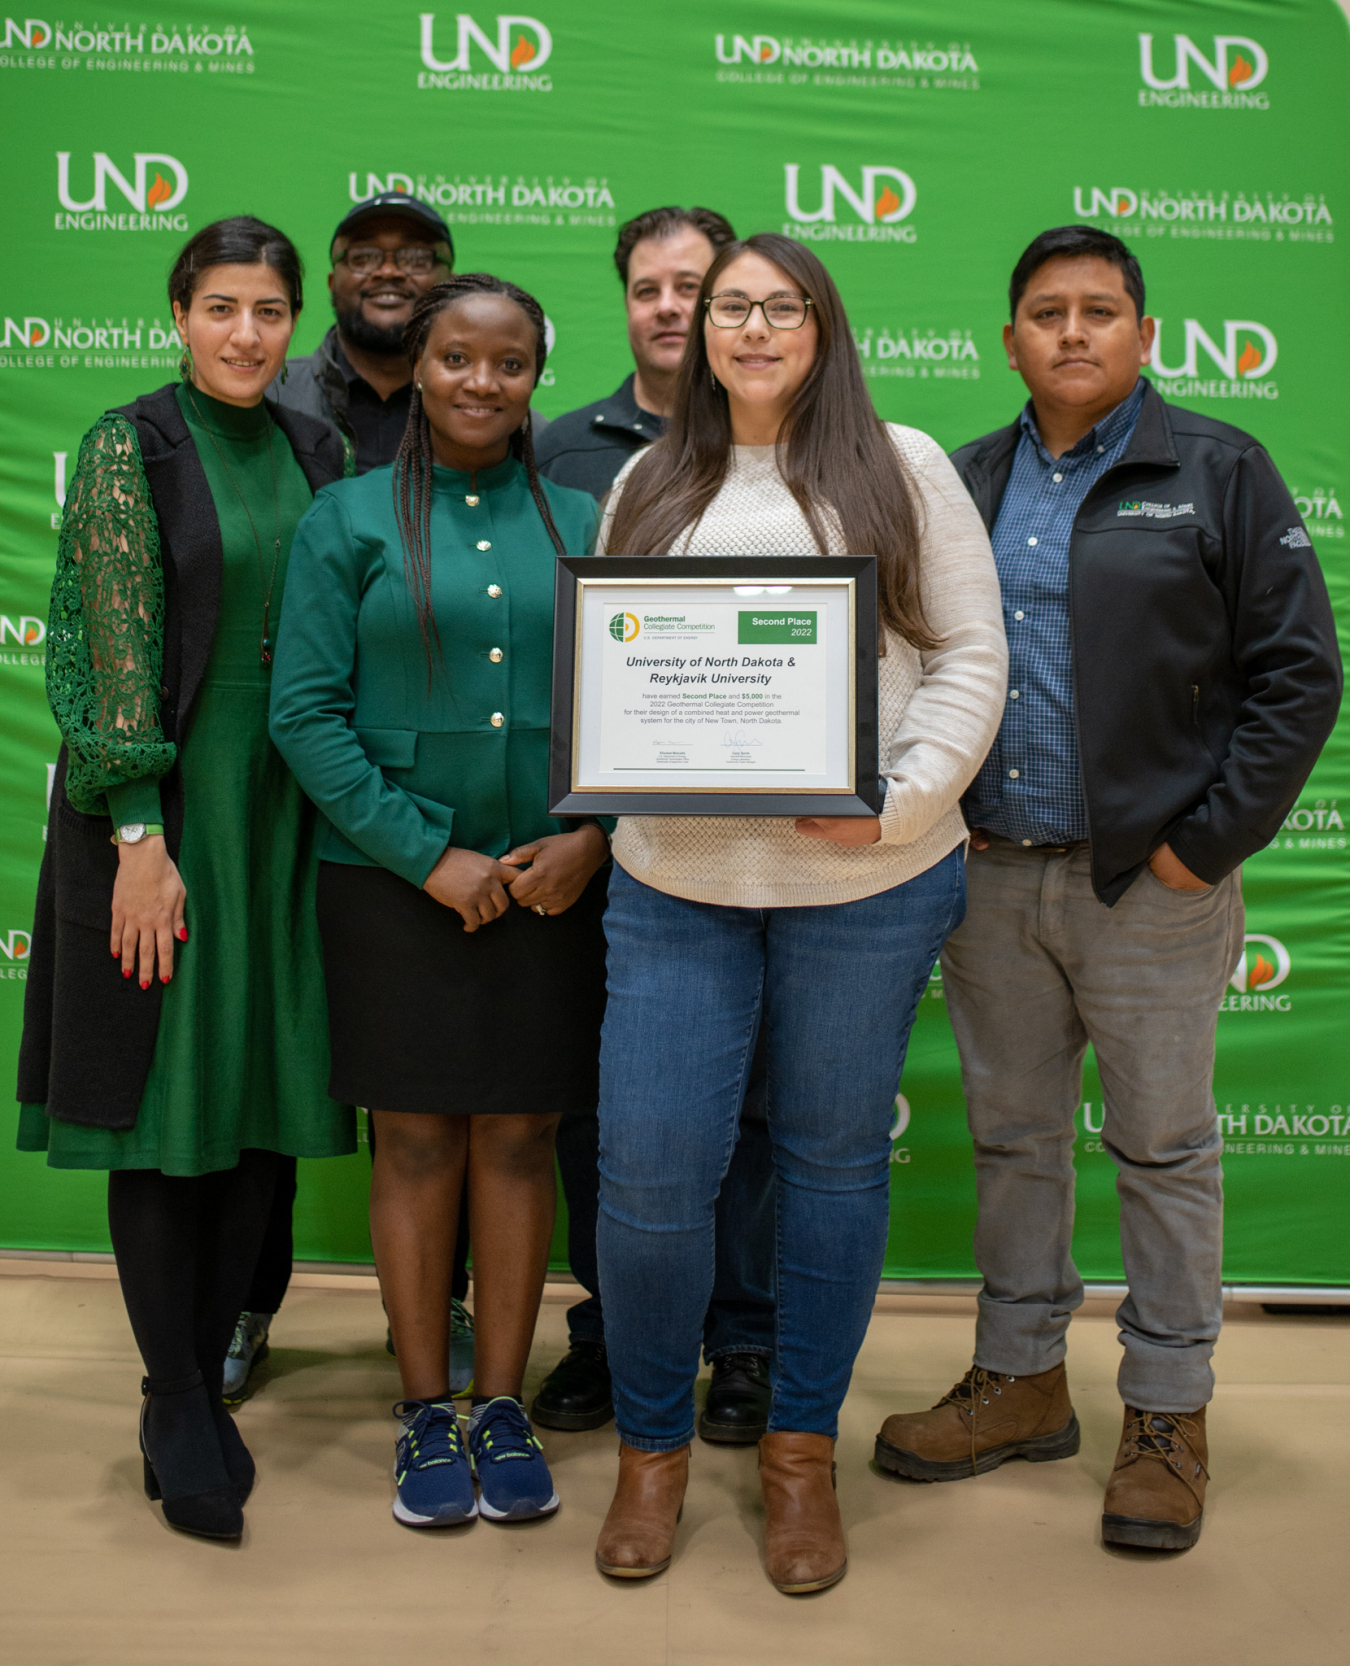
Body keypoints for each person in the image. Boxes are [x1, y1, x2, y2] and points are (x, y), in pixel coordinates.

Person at [873, 226, 1342, 1552]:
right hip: (990, 879)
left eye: (1098, 311)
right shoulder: (957, 481)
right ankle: (1020, 1378)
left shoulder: (1216, 469)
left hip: (1152, 884)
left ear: (1142, 333)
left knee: (1162, 1150)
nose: (1071, 331)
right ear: (1006, 337)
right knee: (1016, 1144)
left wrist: (1201, 844)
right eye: (1044, 312)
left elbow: (1297, 676)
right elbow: (911, 667)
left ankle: (1165, 1409)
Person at [589, 233, 1007, 1593]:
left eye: (781, 307)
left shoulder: (903, 464)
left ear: (822, 327)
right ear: (696, 330)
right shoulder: (650, 479)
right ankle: (650, 1448)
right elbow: (610, 667)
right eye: (730, 308)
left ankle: (796, 1452)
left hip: (866, 883)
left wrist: (887, 801)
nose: (753, 327)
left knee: (830, 1164)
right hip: (675, 881)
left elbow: (969, 656)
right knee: (651, 1174)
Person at [15, 217, 357, 1541]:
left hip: (286, 827)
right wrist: (140, 838)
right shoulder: (128, 445)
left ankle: (212, 1368)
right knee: (166, 1111)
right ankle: (172, 1397)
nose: (246, 334)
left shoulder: (313, 447)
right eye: (221, 306)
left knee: (257, 1107)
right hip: (162, 826)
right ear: (177, 313)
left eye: (270, 311)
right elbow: (99, 647)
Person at [270, 275, 609, 1529]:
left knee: (521, 1141)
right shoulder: (347, 519)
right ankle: (425, 1411)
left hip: (549, 889)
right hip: (394, 890)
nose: (481, 382)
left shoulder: (583, 515)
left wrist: (591, 836)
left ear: (535, 377)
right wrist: (427, 855)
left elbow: (638, 716)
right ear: (417, 368)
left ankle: (503, 1404)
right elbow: (304, 714)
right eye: (457, 359)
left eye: (508, 363)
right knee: (413, 1143)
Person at [532, 204, 779, 1448]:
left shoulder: (802, 443)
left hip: (773, 851)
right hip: (614, 850)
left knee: (749, 1108)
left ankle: (742, 1341)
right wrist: (585, 822)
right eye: (649, 286)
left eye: (699, 285)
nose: (673, 307)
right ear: (622, 302)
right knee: (608, 1109)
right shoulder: (561, 452)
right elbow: (558, 668)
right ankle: (610, 1332)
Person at [233, 189, 476, 1403]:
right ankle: (243, 1297)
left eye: (417, 256)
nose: (390, 272)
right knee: (270, 1043)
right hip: (294, 784)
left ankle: (438, 1313)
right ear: (329, 278)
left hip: (442, 805)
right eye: (362, 256)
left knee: (452, 1078)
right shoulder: (267, 405)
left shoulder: (487, 401)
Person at [536, 205, 735, 496]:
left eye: (688, 287)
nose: (666, 307)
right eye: (647, 291)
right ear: (628, 305)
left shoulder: (771, 443)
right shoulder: (562, 449)